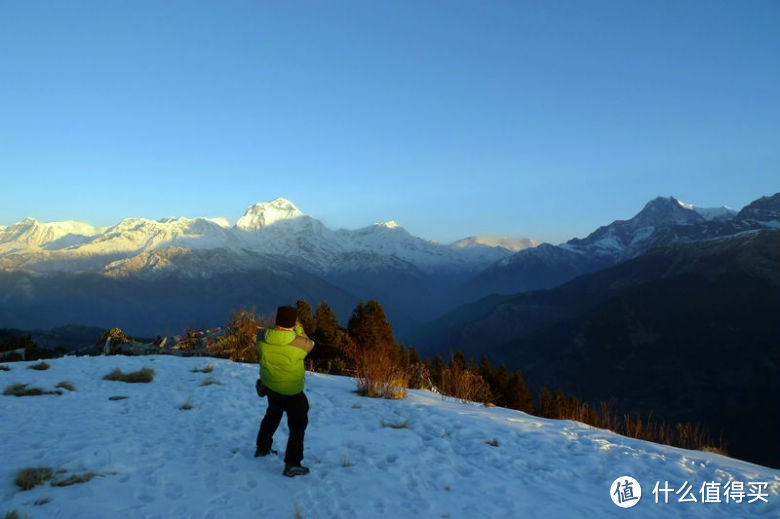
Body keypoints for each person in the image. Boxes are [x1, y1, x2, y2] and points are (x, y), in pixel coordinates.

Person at [255, 305, 315, 477]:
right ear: (293, 322)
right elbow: (311, 344)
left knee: (272, 415)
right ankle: (292, 464)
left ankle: (262, 448)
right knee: (297, 425)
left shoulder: (262, 337)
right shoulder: (299, 343)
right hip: (292, 391)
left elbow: (270, 337)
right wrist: (299, 330)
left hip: (271, 387)